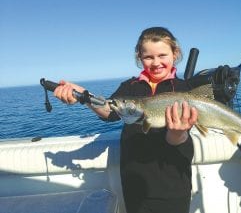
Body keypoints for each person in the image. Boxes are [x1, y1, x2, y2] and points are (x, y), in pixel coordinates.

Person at [54, 27, 198, 213]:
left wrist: (177, 132)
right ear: (139, 57)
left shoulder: (185, 90)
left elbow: (178, 141)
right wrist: (83, 95)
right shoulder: (129, 88)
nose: (156, 63)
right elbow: (110, 111)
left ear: (175, 53)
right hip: (134, 186)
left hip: (173, 185)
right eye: (148, 57)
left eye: (162, 55)